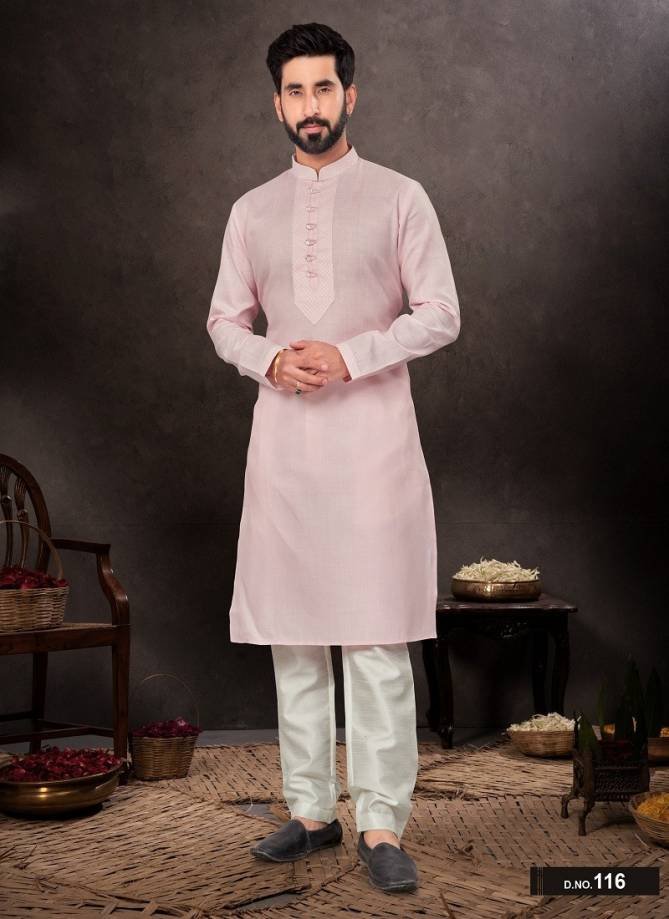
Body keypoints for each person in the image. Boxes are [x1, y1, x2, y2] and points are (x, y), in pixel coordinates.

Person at [206, 22, 460, 894]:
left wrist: (351, 354)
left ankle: (382, 822)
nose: (309, 106)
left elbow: (440, 312)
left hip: (373, 445)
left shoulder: (399, 197)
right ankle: (311, 811)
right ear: (276, 102)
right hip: (285, 448)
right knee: (295, 635)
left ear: (350, 95)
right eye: (294, 91)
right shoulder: (251, 210)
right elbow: (223, 321)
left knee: (376, 635)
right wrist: (269, 358)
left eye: (323, 88)